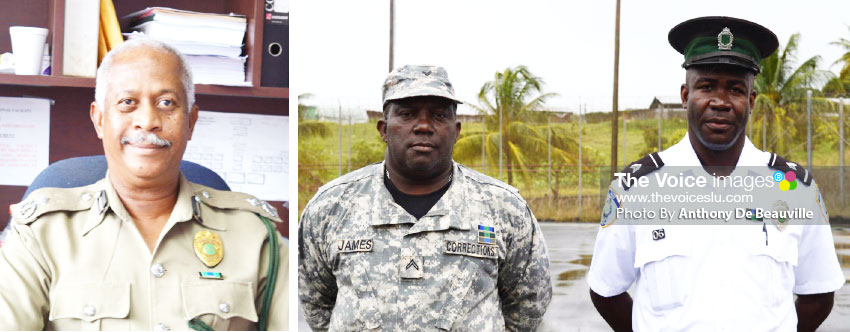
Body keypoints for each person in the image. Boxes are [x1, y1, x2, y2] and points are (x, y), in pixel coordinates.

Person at [0, 38, 288, 331]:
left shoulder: (255, 235)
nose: (148, 121)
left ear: (191, 121)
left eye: (166, 103)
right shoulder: (40, 234)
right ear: (99, 119)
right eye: (127, 103)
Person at [587, 17, 845, 331]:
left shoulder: (795, 189)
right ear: (685, 95)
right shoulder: (635, 188)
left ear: (750, 101)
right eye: (706, 86)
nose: (720, 102)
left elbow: (818, 295)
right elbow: (606, 291)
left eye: (735, 89)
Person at [299, 65, 552, 331]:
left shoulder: (504, 207)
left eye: (438, 115)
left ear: (456, 130)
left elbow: (528, 306)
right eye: (407, 114)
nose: (423, 126)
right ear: (384, 129)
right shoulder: (331, 206)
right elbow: (316, 303)